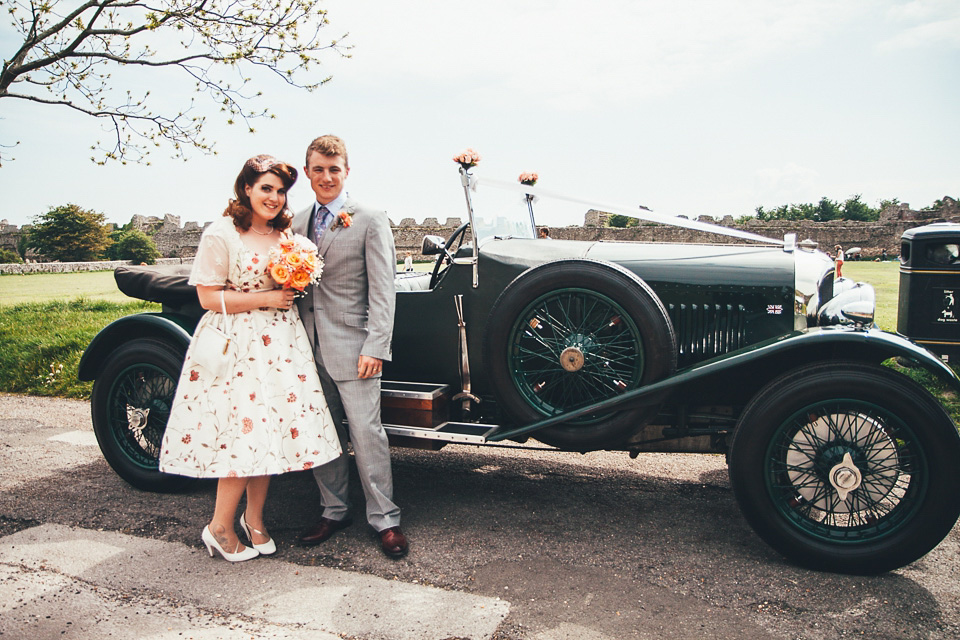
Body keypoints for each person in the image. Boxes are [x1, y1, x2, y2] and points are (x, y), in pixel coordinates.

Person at [159, 154, 341, 562]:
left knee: (270, 435)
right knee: (243, 436)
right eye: (266, 188)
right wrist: (269, 298)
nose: (274, 198)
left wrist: (296, 279)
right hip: (236, 344)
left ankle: (254, 520)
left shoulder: (285, 236)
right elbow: (207, 297)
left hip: (281, 344)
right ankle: (219, 527)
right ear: (246, 188)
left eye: (279, 191)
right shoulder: (222, 233)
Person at [293, 135, 407, 558]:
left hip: (356, 348)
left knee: (367, 433)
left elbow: (383, 291)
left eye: (334, 169)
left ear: (346, 171)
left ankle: (386, 518)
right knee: (322, 433)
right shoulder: (297, 221)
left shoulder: (370, 218)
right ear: (307, 172)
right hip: (306, 348)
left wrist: (375, 346)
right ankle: (334, 509)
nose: (326, 177)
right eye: (318, 169)